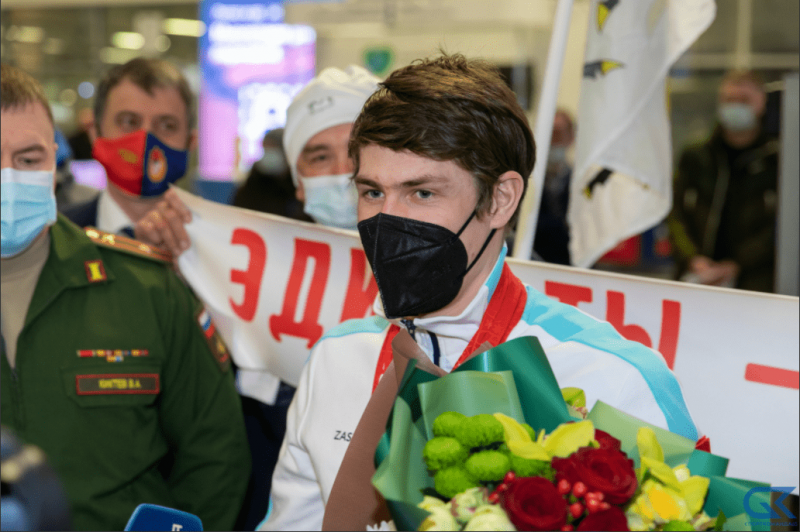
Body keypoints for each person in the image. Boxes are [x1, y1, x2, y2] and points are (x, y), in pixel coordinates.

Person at [260, 54, 698, 531]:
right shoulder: (335, 359)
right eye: (372, 192)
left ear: (501, 199)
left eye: (422, 193)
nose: (387, 221)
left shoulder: (614, 378)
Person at [0, 63, 250, 531]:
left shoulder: (147, 286)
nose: (9, 178)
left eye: (29, 159)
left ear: (55, 161)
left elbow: (215, 454)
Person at [133, 64, 381, 530]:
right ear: (298, 179)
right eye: (318, 156)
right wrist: (176, 247)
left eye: (354, 151)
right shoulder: (250, 267)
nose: (341, 173)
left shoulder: (438, 271)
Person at [668, 70, 779, 293]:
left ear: (762, 105)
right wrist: (692, 258)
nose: (736, 106)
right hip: (695, 279)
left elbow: (780, 227)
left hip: (757, 284)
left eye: (744, 100)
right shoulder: (695, 156)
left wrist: (736, 265)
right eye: (729, 100)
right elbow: (674, 214)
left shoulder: (777, 160)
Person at [61, 57, 196, 237]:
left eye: (167, 125)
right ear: (95, 133)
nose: (145, 139)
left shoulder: (221, 250)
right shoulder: (53, 240)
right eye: (129, 121)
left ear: (191, 141)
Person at [230, 128, 311, 222]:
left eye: (273, 148)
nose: (269, 153)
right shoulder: (252, 185)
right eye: (266, 148)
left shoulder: (300, 187)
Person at [532, 108, 574, 265]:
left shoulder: (580, 185)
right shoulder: (526, 182)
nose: (552, 141)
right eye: (548, 134)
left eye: (557, 134)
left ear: (571, 137)